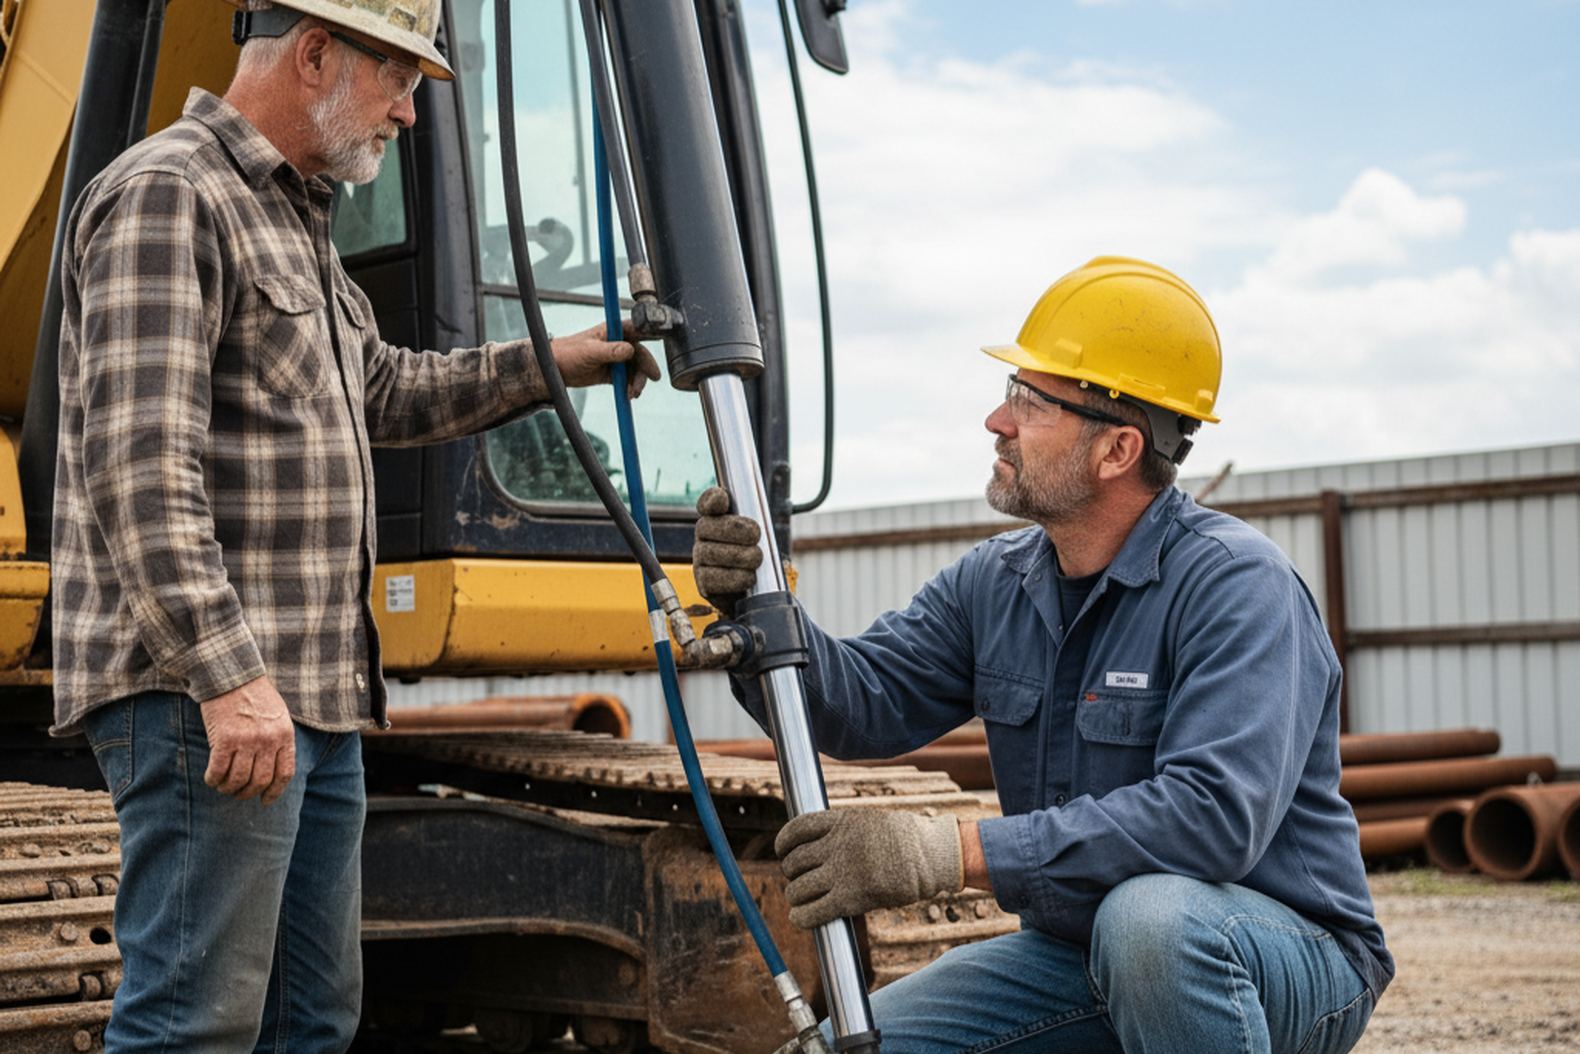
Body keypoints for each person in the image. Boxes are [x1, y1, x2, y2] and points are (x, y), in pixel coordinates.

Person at [49, 2, 659, 1050]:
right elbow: (139, 467)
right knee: (195, 1027)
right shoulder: (170, 192)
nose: (408, 113)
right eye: (399, 79)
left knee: (311, 1021)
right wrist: (227, 678)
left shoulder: (297, 220)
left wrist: (555, 362)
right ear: (316, 52)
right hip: (207, 698)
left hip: (312, 700)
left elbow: (383, 389)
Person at [692, 257, 1392, 1054]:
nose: (998, 420)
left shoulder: (1237, 586)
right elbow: (861, 703)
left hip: (1278, 954)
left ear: (1117, 449)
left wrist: (945, 851)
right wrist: (752, 609)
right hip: (1079, 955)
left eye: (1031, 402)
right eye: (1010, 393)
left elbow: (1209, 819)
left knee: (1151, 923)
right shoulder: (998, 582)